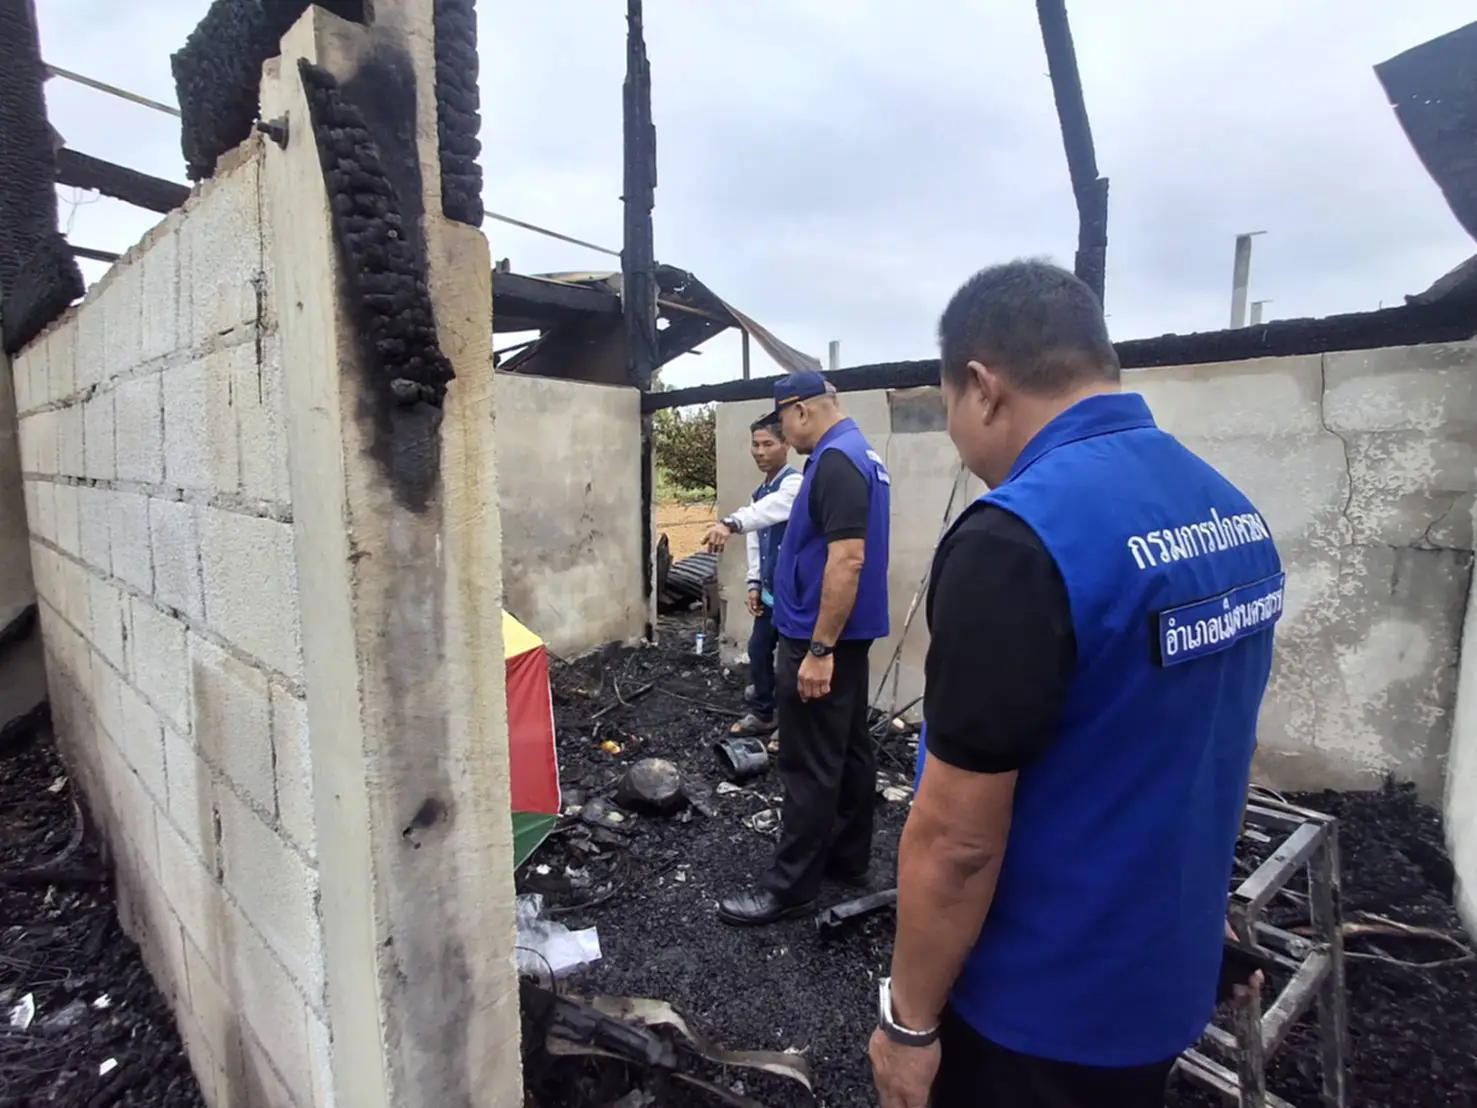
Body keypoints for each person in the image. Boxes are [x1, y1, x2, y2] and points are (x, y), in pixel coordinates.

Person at [868, 260, 1285, 1108]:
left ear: (981, 387)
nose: (956, 439)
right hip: (1163, 974)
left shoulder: (1014, 540)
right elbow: (1202, 740)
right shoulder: (1228, 511)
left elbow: (956, 841)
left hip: (1038, 1012)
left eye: (947, 409)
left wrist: (907, 1024)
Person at [717, 370, 891, 926]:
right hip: (842, 635)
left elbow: (848, 559)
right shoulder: (859, 454)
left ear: (801, 410)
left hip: (820, 635)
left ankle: (790, 888)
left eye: (783, 423)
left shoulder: (837, 460)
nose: (783, 436)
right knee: (850, 747)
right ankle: (847, 858)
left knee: (807, 760)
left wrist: (819, 649)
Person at [701, 417, 803, 738]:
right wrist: (754, 583)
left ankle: (792, 727)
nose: (759, 452)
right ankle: (764, 713)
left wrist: (729, 523)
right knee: (758, 651)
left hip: (794, 595)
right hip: (771, 594)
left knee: (791, 664)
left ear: (786, 444)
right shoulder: (761, 492)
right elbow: (756, 540)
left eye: (768, 444)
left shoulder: (795, 485)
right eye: (755, 445)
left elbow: (768, 511)